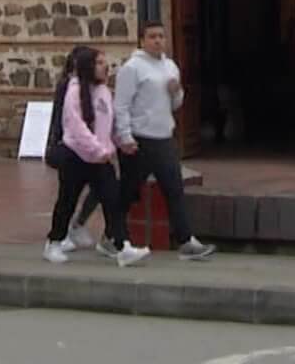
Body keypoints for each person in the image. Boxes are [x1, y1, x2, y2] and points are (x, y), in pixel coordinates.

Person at [114, 21, 216, 261]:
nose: (158, 41)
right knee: (128, 191)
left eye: (161, 36)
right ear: (142, 41)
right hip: (140, 138)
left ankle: (186, 241)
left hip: (164, 137)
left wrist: (176, 91)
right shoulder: (132, 68)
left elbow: (175, 104)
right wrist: (125, 136)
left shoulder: (170, 66)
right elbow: (121, 105)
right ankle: (114, 236)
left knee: (174, 189)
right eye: (152, 37)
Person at [44, 45, 149, 267]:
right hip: (77, 157)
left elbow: (108, 124)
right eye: (100, 63)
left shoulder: (103, 92)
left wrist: (122, 142)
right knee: (67, 201)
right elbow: (76, 127)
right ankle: (54, 241)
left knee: (113, 200)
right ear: (88, 67)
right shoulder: (73, 91)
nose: (105, 67)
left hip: (100, 159)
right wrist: (98, 150)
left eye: (105, 62)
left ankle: (123, 246)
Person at [46, 48, 106, 252]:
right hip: (73, 149)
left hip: (91, 149)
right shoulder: (70, 87)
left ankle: (114, 239)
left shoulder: (93, 87)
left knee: (101, 190)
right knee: (68, 195)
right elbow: (67, 119)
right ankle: (59, 236)